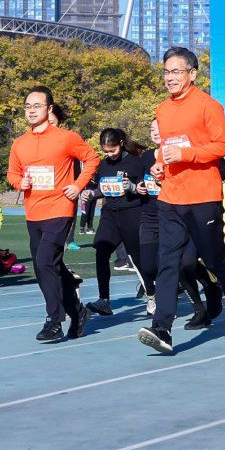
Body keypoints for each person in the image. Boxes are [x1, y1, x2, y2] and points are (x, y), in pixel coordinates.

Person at [138, 47, 225, 355]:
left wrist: (187, 154)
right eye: (166, 72)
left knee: (214, 258)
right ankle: (162, 328)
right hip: (170, 196)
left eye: (176, 71)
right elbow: (166, 148)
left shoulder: (208, 105)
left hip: (203, 196)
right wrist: (159, 165)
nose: (170, 77)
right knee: (168, 263)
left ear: (192, 73)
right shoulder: (163, 109)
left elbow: (224, 145)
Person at [8, 86, 99, 342]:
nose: (31, 111)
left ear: (49, 109)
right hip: (33, 212)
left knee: (44, 261)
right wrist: (19, 183)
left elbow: (92, 158)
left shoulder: (66, 138)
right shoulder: (19, 143)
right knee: (48, 267)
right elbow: (12, 173)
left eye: (37, 106)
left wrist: (78, 186)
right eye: (28, 106)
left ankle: (54, 320)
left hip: (60, 209)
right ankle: (78, 312)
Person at [89, 127, 149, 315]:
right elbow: (102, 189)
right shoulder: (103, 165)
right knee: (101, 250)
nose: (109, 154)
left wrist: (132, 187)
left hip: (132, 212)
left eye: (112, 150)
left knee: (136, 257)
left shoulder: (135, 162)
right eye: (105, 151)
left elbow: (145, 188)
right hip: (110, 214)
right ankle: (104, 299)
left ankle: (153, 295)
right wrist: (91, 194)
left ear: (121, 144)